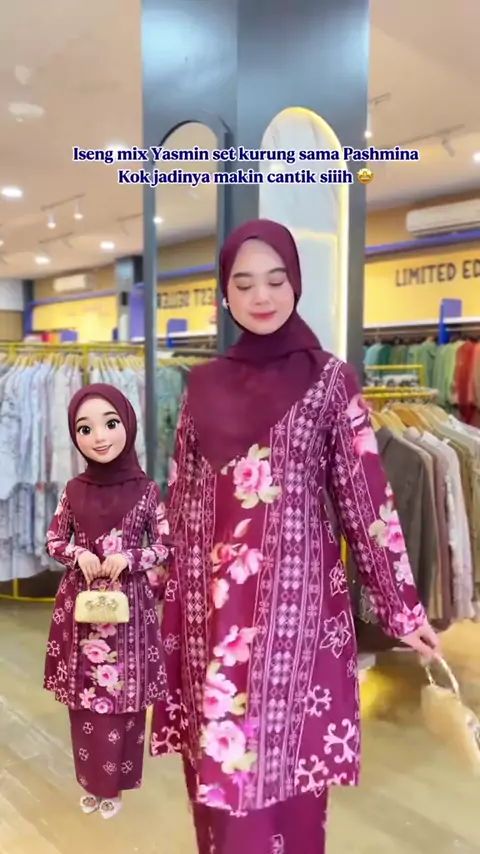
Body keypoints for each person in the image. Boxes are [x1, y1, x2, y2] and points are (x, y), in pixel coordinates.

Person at [150, 219, 440, 853]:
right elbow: (181, 498)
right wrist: (159, 603)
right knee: (222, 772)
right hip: (210, 617)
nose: (261, 296)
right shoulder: (201, 386)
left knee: (289, 769)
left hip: (298, 612)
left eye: (276, 280)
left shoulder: (330, 381)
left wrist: (402, 609)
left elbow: (366, 499)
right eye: (243, 283)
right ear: (225, 294)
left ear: (295, 284)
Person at [44, 384, 169, 819]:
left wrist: (129, 557)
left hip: (128, 610)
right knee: (84, 701)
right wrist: (78, 553)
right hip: (81, 610)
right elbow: (54, 539)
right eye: (85, 428)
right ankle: (92, 783)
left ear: (128, 425)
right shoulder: (73, 489)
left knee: (126, 699)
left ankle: (115, 784)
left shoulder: (147, 491)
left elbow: (165, 545)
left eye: (110, 423)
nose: (99, 437)